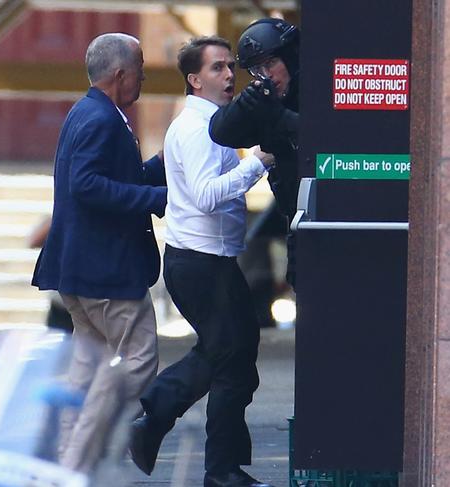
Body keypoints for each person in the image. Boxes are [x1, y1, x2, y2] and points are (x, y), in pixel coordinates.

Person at [129, 36, 275, 487]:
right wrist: (258, 163)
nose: (230, 75)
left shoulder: (216, 123)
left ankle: (205, 454)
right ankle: (168, 423)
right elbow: (207, 196)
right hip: (198, 262)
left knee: (236, 356)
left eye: (230, 66)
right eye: (217, 68)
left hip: (213, 260)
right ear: (194, 80)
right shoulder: (196, 129)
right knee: (230, 358)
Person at [31, 32, 167, 471]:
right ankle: (83, 453)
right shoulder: (102, 120)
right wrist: (155, 200)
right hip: (106, 272)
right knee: (139, 359)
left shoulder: (86, 112)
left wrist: (164, 166)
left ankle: (65, 462)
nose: (144, 77)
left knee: (85, 372)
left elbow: (115, 177)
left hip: (79, 271)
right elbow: (86, 185)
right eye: (141, 70)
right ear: (120, 74)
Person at [209, 18, 300, 288]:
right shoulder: (268, 99)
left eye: (270, 63)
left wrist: (279, 116)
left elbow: (326, 136)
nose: (266, 74)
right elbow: (220, 132)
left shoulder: (316, 89)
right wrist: (246, 104)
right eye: (256, 69)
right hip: (296, 220)